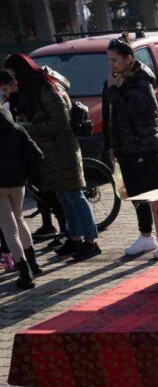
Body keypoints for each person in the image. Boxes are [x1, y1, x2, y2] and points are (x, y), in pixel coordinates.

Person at [4, 53, 100, 261]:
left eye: (14, 75)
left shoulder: (47, 87)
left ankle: (91, 241)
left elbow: (60, 121)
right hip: (50, 151)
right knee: (64, 198)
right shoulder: (33, 88)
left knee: (75, 196)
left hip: (63, 149)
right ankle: (74, 238)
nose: (14, 80)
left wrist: (30, 127)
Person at [103, 34, 158, 259]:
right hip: (125, 147)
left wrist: (114, 91)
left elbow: (137, 110)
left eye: (115, 60)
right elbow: (112, 115)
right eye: (109, 61)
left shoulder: (141, 79)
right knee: (136, 194)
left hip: (143, 145)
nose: (112, 65)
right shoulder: (114, 80)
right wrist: (111, 145)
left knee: (155, 192)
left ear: (129, 59)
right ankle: (146, 236)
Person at [0, 107, 43, 289]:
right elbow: (37, 154)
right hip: (18, 183)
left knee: (9, 229)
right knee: (19, 220)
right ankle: (33, 264)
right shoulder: (17, 129)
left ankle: (25, 274)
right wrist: (28, 175)